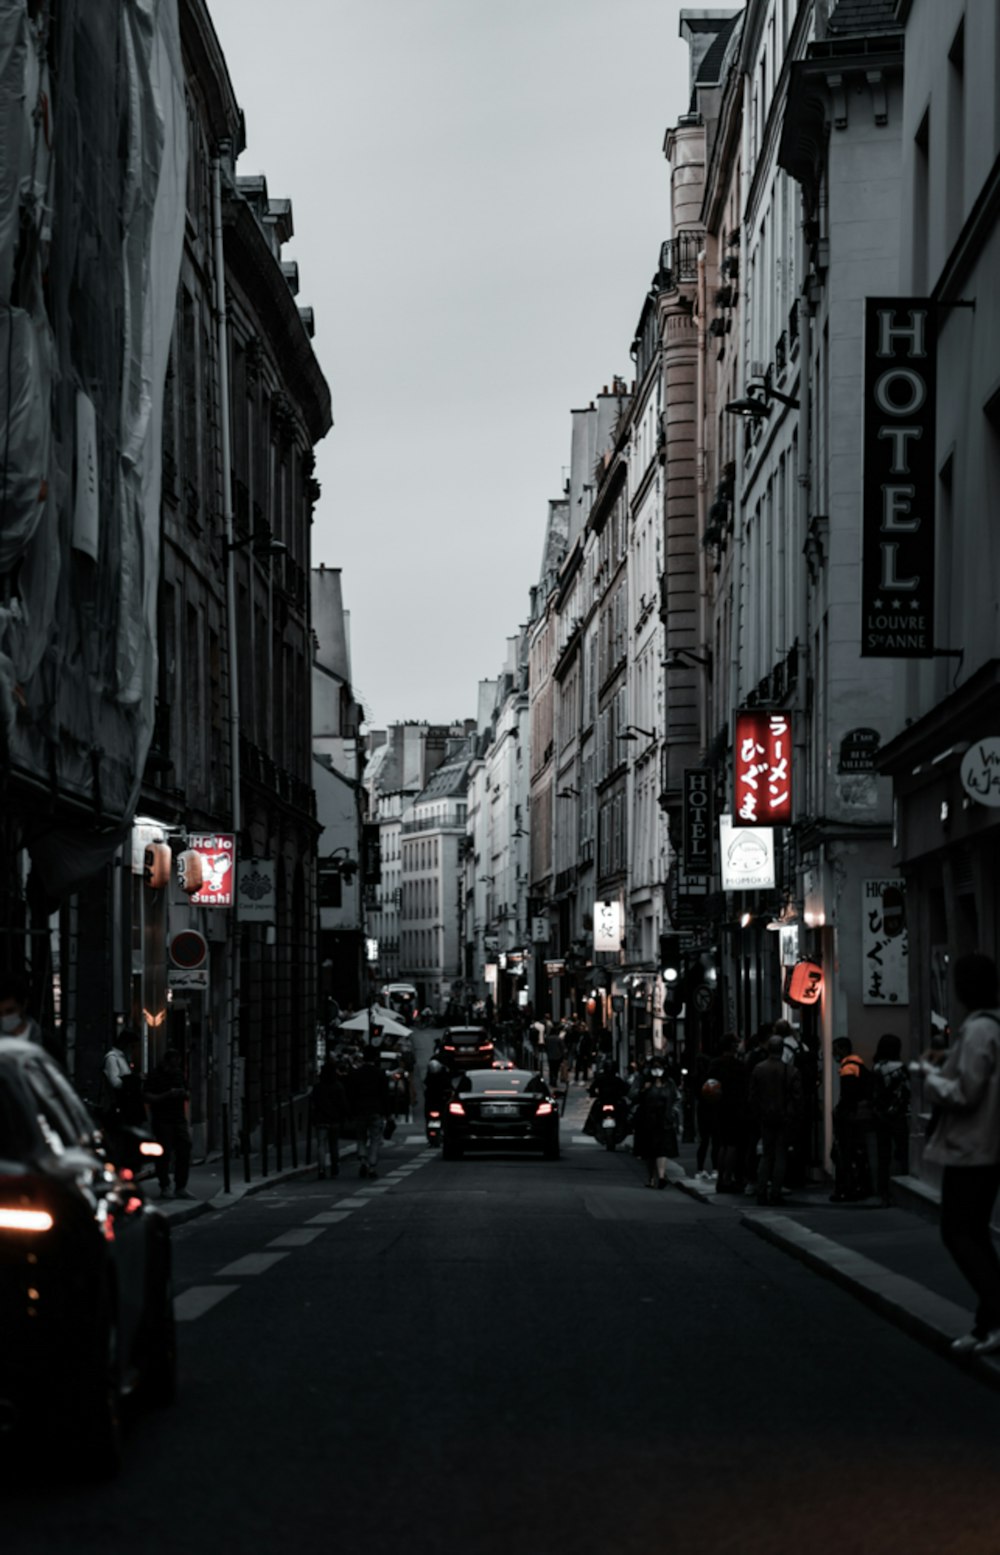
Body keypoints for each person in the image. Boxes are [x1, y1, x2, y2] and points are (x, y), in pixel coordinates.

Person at [915, 953, 1000, 1356]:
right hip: (988, 1146)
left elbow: (964, 1092)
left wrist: (930, 1077)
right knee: (974, 1234)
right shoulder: (993, 1027)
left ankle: (995, 1319)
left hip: (971, 1148)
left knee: (959, 1233)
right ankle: (988, 1323)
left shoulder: (980, 1029)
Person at [748, 1034, 802, 1206]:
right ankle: (776, 1192)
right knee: (780, 1155)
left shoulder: (759, 1069)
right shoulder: (791, 1070)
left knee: (766, 1155)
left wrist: (757, 1114)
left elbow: (752, 1096)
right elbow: (797, 1097)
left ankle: (761, 1190)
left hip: (765, 1116)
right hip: (784, 1117)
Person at [143, 1047, 194, 1200]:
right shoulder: (155, 1075)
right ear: (167, 1062)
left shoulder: (178, 1073)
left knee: (184, 1149)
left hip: (179, 1118)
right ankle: (165, 1185)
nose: (176, 1067)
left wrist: (184, 1094)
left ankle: (180, 1186)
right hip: (162, 1119)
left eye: (177, 1064)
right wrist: (166, 1095)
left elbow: (187, 1090)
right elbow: (146, 1096)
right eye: (173, 1063)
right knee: (163, 1154)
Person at [830, 1036, 874, 1202]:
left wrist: (840, 1110)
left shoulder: (848, 1069)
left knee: (845, 1153)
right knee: (858, 1153)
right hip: (859, 1116)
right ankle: (860, 1185)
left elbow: (848, 1096)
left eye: (835, 1049)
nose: (834, 1053)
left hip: (849, 1117)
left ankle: (847, 1188)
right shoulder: (859, 1065)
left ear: (842, 1049)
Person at [871, 1032, 911, 1205]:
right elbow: (907, 1092)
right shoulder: (902, 1069)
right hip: (899, 1115)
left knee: (883, 1157)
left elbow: (873, 1093)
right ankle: (905, 1187)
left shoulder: (877, 1068)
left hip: (881, 1117)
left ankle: (883, 1191)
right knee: (903, 1152)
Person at [708, 1034, 748, 1194]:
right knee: (732, 1145)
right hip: (734, 1108)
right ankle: (727, 1178)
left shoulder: (714, 1064)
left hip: (718, 1107)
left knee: (721, 1144)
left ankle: (720, 1178)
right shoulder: (738, 1066)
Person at [633, 1064, 679, 1188]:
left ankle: (661, 1176)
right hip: (648, 1121)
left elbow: (676, 1098)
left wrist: (673, 1114)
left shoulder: (669, 1083)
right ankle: (652, 1178)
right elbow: (634, 1096)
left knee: (662, 1150)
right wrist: (643, 1090)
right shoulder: (644, 1082)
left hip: (664, 1121)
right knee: (650, 1152)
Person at [349, 1045, 391, 1179]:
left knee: (361, 1137)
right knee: (375, 1139)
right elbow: (385, 1095)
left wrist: (351, 1111)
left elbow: (351, 1094)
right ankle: (372, 1166)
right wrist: (388, 1113)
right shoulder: (380, 1074)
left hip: (360, 1110)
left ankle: (362, 1160)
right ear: (375, 1058)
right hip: (376, 1110)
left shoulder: (356, 1073)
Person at [99, 1027, 145, 1134]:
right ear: (125, 1044)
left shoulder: (122, 1058)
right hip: (122, 1105)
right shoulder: (112, 1058)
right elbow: (115, 1083)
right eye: (132, 1046)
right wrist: (135, 1079)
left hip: (129, 1106)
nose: (133, 1049)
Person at [310, 1057, 349, 1178]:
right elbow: (343, 1104)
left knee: (321, 1145)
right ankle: (334, 1167)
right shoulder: (338, 1086)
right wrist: (344, 1117)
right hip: (334, 1120)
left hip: (321, 1119)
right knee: (334, 1145)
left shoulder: (317, 1087)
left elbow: (313, 1103)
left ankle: (321, 1169)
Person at [0, 970, 44, 1045]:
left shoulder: (44, 1042)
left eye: (10, 1011)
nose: (4, 1017)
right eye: (0, 1013)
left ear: (23, 1005)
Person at [544, 1024, 566, 1092]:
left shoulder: (548, 1038)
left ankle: (551, 1081)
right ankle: (554, 1081)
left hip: (550, 1056)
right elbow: (562, 1048)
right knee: (556, 1070)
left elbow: (546, 1047)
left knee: (551, 1069)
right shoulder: (558, 1039)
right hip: (557, 1056)